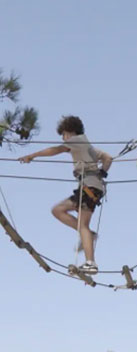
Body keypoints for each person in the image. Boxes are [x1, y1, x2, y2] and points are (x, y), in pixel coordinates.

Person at [19, 116, 112, 274]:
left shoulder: (77, 140)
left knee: (83, 225)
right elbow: (108, 158)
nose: (63, 138)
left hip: (89, 187)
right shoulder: (87, 146)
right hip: (90, 187)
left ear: (71, 131)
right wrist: (102, 172)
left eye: (64, 134)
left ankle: (91, 263)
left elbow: (56, 149)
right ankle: (89, 236)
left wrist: (32, 156)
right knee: (58, 210)